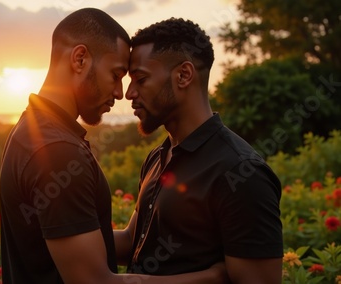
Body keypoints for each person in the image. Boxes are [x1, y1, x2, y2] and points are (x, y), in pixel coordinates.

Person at [0, 8, 229, 284]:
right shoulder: (58, 151)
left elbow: (96, 243)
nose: (121, 93)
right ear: (80, 59)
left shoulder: (31, 130)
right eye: (116, 74)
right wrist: (212, 277)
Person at [114, 17, 284, 283]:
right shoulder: (158, 157)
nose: (129, 93)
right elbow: (131, 242)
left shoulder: (241, 171)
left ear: (183, 75)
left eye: (141, 79)